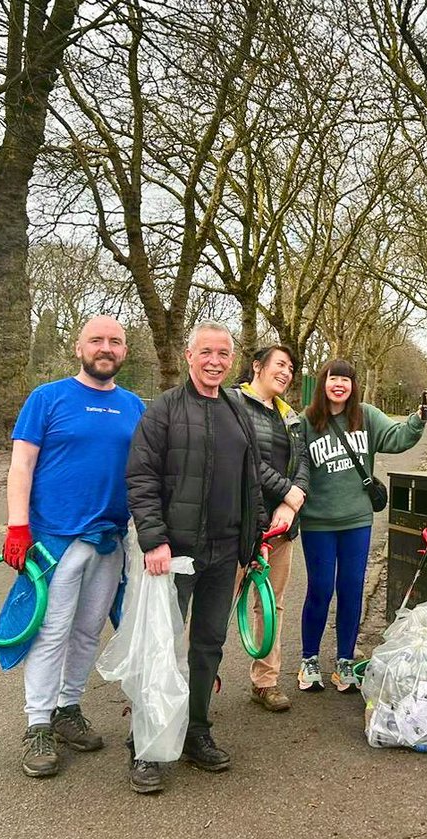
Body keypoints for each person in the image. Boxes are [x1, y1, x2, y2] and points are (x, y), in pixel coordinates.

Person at [126, 322, 268, 794]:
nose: (214, 360)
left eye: (223, 353)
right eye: (205, 351)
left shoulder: (237, 410)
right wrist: (154, 540)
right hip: (174, 555)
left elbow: (252, 481)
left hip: (224, 553)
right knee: (160, 649)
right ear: (189, 355)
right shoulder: (164, 410)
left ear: (233, 360)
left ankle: (196, 731)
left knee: (209, 646)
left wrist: (256, 539)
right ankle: (145, 746)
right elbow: (141, 477)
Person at [3, 316, 145, 778]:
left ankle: (67, 709)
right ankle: (38, 724)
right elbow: (22, 465)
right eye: (97, 340)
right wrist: (17, 526)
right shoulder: (47, 398)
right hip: (55, 539)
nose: (106, 348)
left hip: (109, 539)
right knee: (51, 631)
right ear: (78, 347)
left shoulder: (135, 406)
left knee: (87, 630)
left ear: (124, 351)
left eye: (115, 342)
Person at [296, 359, 426, 693]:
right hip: (318, 522)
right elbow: (293, 467)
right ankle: (309, 659)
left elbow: (397, 439)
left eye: (345, 380)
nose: (338, 385)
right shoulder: (306, 422)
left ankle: (344, 662)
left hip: (357, 520)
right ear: (322, 383)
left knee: (352, 588)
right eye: (332, 378)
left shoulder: (366, 416)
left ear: (354, 386)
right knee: (321, 588)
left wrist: (418, 419)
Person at [234, 345, 311, 712]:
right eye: (280, 364)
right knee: (215, 607)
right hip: (237, 524)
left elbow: (304, 463)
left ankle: (265, 682)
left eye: (291, 367)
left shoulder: (290, 417)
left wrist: (290, 502)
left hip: (280, 528)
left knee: (271, 606)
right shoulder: (233, 404)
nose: (286, 372)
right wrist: (289, 491)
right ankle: (189, 682)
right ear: (257, 367)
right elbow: (246, 458)